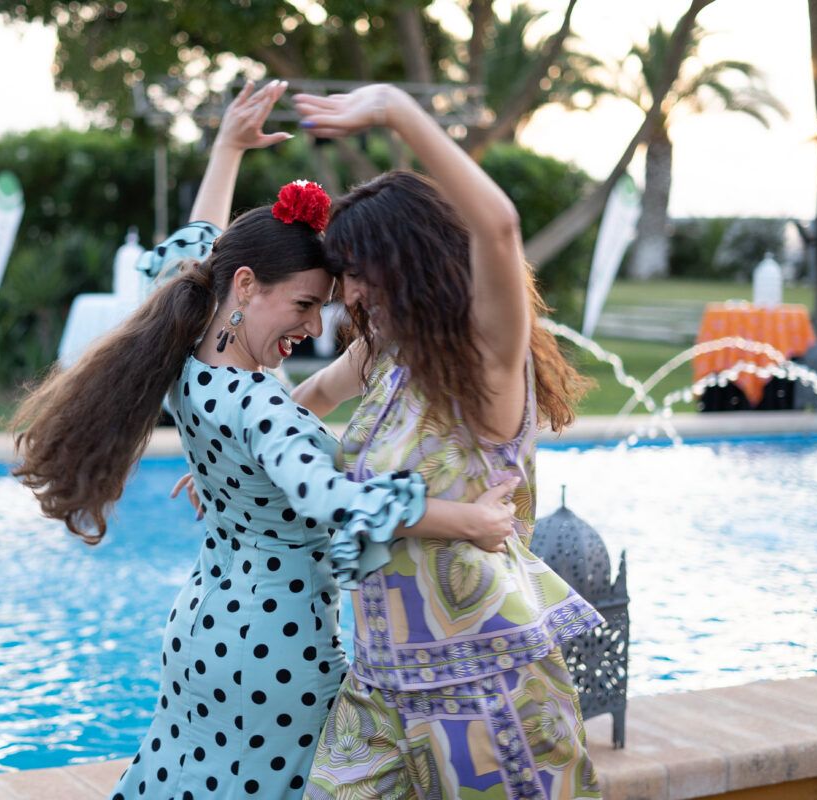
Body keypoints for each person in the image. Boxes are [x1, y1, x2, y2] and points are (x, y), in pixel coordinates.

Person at [10, 80, 520, 800]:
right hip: (276, 649)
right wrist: (472, 519)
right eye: (307, 305)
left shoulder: (186, 349)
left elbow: (185, 256)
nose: (316, 328)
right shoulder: (259, 407)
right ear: (245, 285)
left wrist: (225, 150)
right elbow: (333, 500)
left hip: (205, 628)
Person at [291, 85, 604, 798]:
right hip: (379, 682)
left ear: (406, 260)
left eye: (360, 273)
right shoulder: (389, 356)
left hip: (486, 690)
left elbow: (496, 228)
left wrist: (397, 110)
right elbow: (303, 403)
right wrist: (237, 465)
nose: (350, 294)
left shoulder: (487, 359)